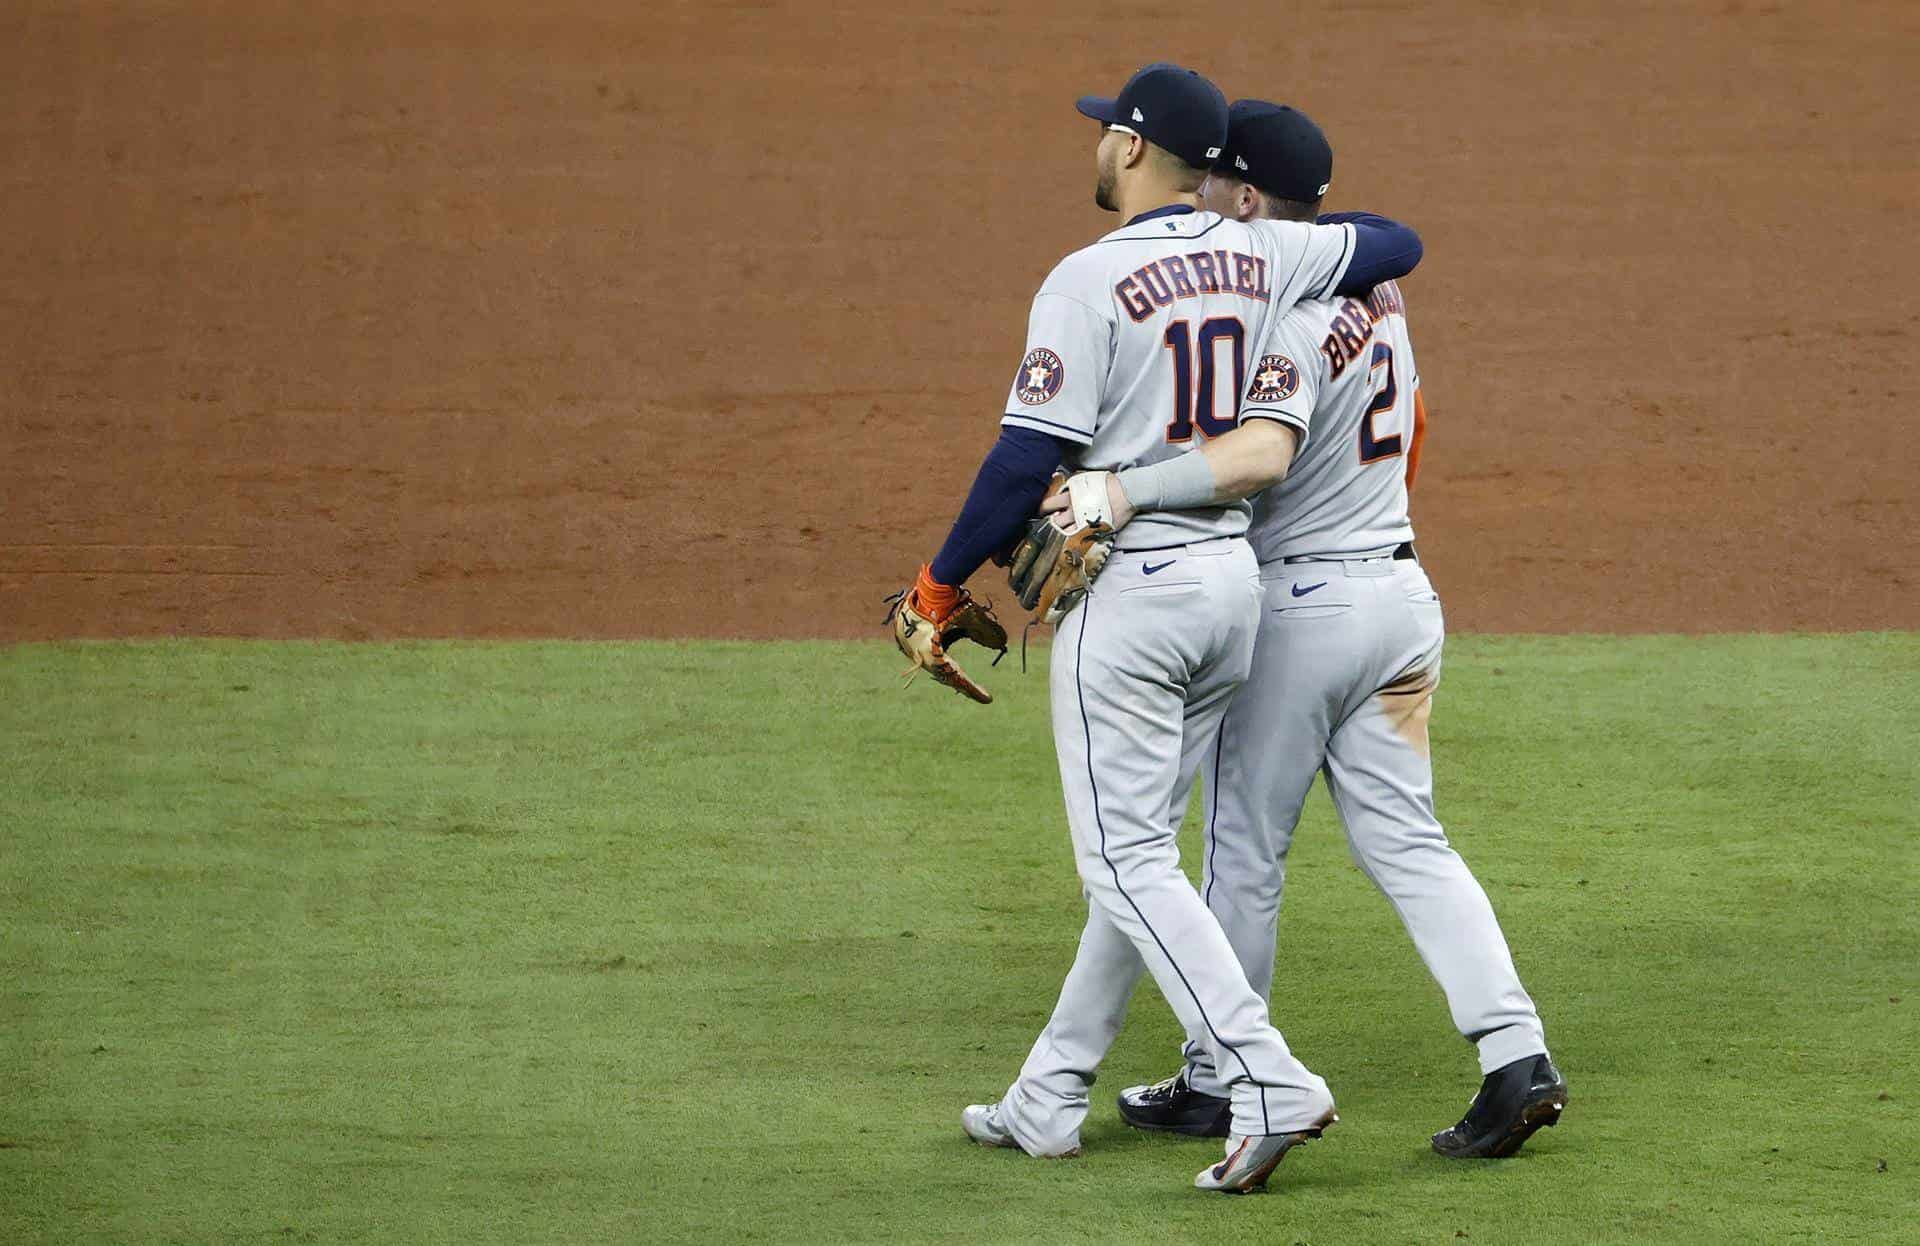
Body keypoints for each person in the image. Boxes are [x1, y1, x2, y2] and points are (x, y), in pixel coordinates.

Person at [887, 63, 1425, 1192]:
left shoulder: (1085, 281)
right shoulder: (1268, 253)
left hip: (1130, 597)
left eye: (1103, 134)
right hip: (1233, 588)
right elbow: (1395, 240)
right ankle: (1048, 1092)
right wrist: (1286, 230)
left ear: (1133, 150)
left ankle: (1265, 1076)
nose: (1094, 148)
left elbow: (1024, 457)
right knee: (1141, 861)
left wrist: (937, 588)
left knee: (1124, 860)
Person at [1079, 100, 1566, 1159]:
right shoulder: (1381, 292)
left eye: (1217, 187)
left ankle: (1220, 1076)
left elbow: (1260, 454)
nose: (1202, 201)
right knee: (1411, 840)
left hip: (1307, 611)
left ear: (1249, 199)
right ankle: (1516, 1053)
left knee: (1242, 848)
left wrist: (1122, 493)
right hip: (1401, 597)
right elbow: (1416, 425)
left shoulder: (1288, 311)